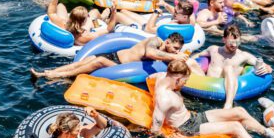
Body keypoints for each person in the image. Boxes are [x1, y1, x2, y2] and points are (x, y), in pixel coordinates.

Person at [150, 59, 274, 138]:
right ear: (177, 77)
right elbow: (155, 129)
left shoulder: (163, 76)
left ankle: (271, 136)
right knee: (235, 126)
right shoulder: (165, 98)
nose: (185, 83)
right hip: (187, 128)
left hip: (193, 117)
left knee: (239, 111)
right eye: (184, 81)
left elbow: (156, 74)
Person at [31, 32, 187, 82]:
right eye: (174, 48)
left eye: (177, 50)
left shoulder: (166, 53)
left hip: (119, 65)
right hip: (113, 56)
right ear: (167, 42)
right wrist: (174, 57)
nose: (175, 52)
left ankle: (55, 75)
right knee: (82, 62)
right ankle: (45, 72)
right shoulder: (155, 41)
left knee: (98, 61)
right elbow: (150, 53)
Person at [190, 24, 272, 109]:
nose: (234, 45)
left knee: (228, 68)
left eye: (237, 42)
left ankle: (228, 104)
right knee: (190, 62)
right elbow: (199, 55)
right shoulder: (213, 50)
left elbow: (261, 64)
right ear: (224, 40)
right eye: (231, 42)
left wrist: (268, 68)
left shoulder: (243, 56)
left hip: (227, 90)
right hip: (204, 88)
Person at [45, 0, 117, 45]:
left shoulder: (63, 25)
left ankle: (105, 13)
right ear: (84, 21)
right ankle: (105, 14)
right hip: (89, 26)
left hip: (73, 26)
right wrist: (114, 12)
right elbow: (108, 29)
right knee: (95, 12)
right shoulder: (86, 36)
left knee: (60, 5)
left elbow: (51, 12)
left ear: (70, 16)